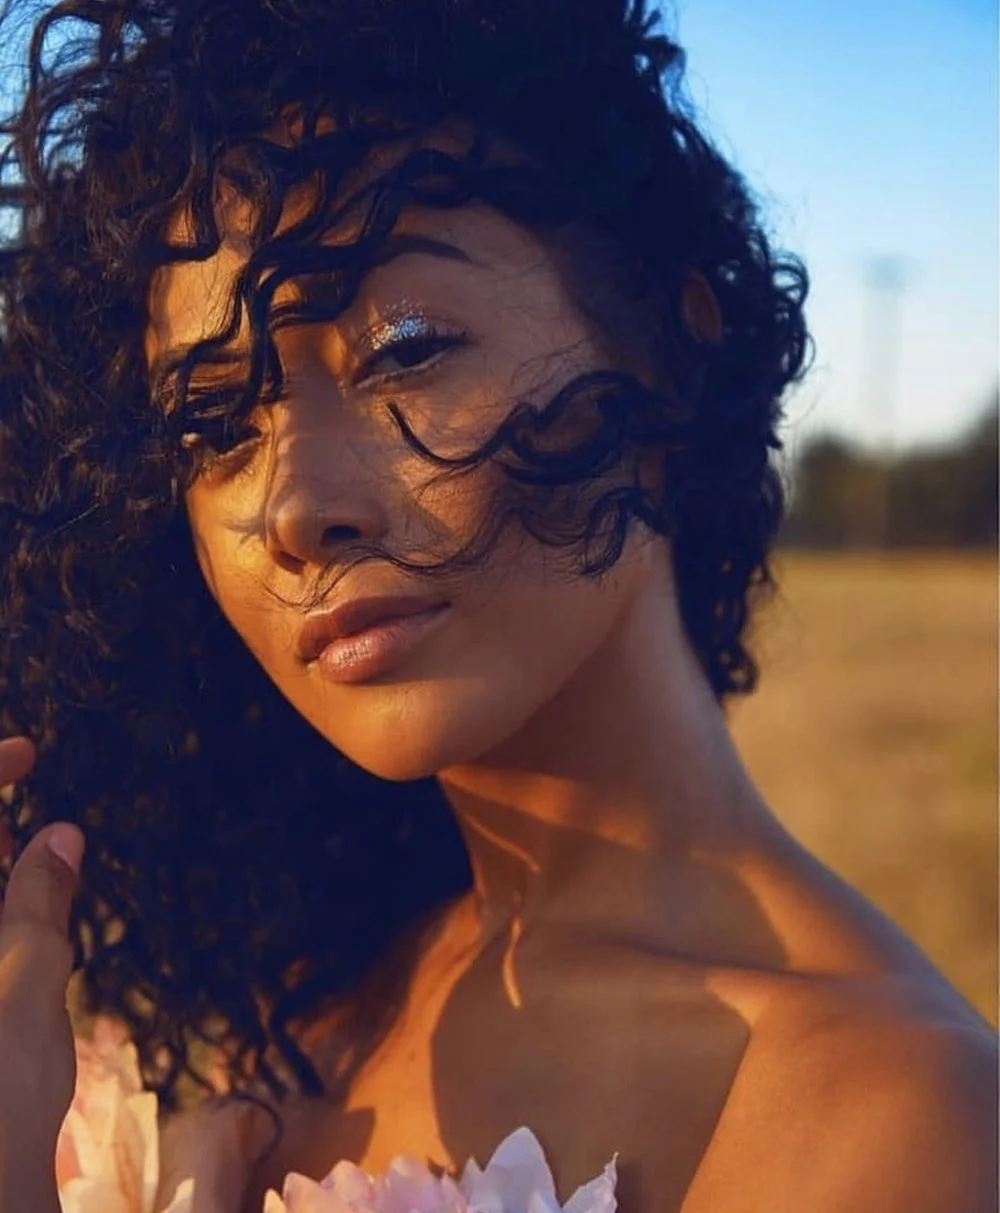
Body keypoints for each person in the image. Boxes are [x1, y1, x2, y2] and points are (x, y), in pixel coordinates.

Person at [0, 0, 995, 1210]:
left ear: (668, 356)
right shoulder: (299, 1016)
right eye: (215, 425)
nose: (296, 507)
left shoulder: (889, 1116)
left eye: (406, 348)